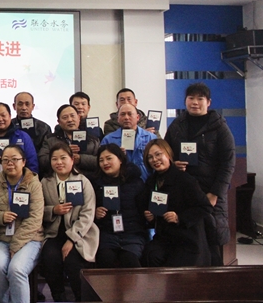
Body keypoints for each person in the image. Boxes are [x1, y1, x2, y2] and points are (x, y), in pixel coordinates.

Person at [164, 82, 235, 265]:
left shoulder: (219, 127)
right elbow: (166, 153)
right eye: (191, 98)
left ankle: (214, 279)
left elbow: (228, 163)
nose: (195, 102)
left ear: (208, 102)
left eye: (200, 98)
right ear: (185, 101)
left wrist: (215, 193)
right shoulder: (177, 125)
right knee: (187, 239)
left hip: (209, 191)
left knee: (211, 239)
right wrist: (173, 164)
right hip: (184, 191)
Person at [0, 145, 44, 303]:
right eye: (5, 160)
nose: (10, 163)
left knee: (16, 269)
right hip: (2, 238)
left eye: (15, 159)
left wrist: (16, 244)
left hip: (29, 239)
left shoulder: (34, 183)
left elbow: (35, 218)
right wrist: (0, 216)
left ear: (23, 162)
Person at [141, 139, 213, 267]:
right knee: (149, 255)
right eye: (150, 157)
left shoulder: (185, 180)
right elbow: (152, 209)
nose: (155, 160)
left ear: (168, 154)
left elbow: (205, 207)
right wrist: (150, 218)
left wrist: (179, 217)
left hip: (187, 238)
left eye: (158, 154)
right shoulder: (151, 182)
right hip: (164, 237)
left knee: (175, 266)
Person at [41, 142, 98, 301]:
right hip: (53, 232)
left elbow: (88, 213)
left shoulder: (83, 181)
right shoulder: (45, 182)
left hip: (79, 234)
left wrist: (72, 239)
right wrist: (53, 210)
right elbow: (38, 209)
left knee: (73, 262)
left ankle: (80, 298)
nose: (59, 162)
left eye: (63, 158)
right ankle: (59, 297)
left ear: (72, 160)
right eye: (54, 159)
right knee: (50, 259)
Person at [89, 144, 147, 268]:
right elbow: (87, 211)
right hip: (106, 233)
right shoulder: (95, 184)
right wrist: (95, 213)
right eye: (101, 160)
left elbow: (143, 212)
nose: (105, 163)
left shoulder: (136, 182)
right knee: (105, 259)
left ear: (120, 159)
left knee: (130, 261)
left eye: (109, 158)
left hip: (132, 234)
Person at [0, 102, 39, 179]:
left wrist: (27, 182)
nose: (0, 119)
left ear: (10, 116)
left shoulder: (23, 137)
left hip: (21, 182)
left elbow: (32, 164)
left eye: (3, 115)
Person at [101, 103, 158, 182]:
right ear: (118, 119)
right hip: (120, 183)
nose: (126, 117)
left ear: (137, 117)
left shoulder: (151, 138)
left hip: (146, 182)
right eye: (123, 114)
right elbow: (102, 165)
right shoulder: (108, 140)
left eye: (130, 114)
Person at [39, 104, 99, 175]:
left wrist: (80, 159)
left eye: (72, 116)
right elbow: (42, 160)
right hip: (58, 177)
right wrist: (64, 152)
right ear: (59, 122)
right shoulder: (50, 139)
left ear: (79, 117)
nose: (70, 120)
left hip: (87, 178)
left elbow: (100, 160)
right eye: (65, 117)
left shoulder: (93, 140)